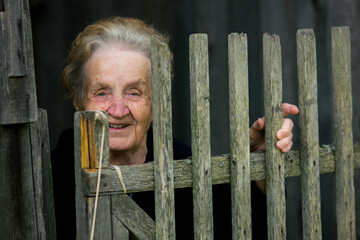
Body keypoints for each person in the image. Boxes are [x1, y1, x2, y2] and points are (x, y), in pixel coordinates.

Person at [52, 16, 299, 239]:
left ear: (157, 100)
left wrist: (256, 164)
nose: (117, 110)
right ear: (78, 99)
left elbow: (247, 228)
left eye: (134, 93)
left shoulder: (186, 167)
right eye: (102, 92)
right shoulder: (49, 179)